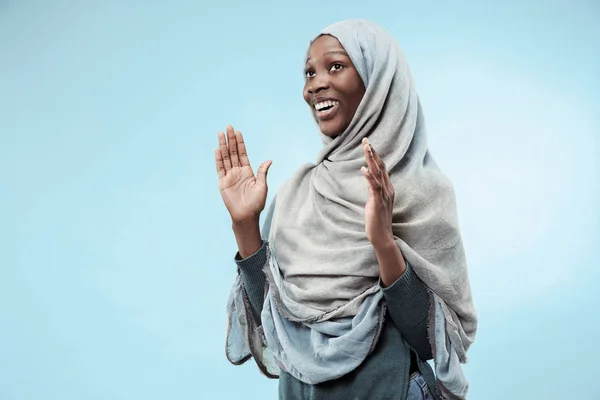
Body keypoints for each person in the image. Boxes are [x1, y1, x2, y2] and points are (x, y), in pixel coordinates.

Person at [215, 20, 477, 400]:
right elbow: (274, 325)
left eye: (335, 66)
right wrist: (245, 227)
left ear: (378, 81)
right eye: (309, 72)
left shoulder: (419, 191)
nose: (314, 84)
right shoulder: (296, 194)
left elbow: (428, 340)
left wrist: (384, 243)